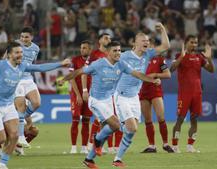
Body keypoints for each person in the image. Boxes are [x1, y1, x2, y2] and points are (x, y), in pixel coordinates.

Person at [0, 41, 70, 169]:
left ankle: (2, 164)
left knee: (15, 135)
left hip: (9, 105)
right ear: (9, 54)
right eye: (17, 52)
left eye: (21, 52)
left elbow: (40, 67)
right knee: (1, 139)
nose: (20, 55)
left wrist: (60, 64)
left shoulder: (22, 66)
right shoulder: (1, 65)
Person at [60, 41, 160, 169]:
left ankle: (89, 159)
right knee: (116, 124)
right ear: (108, 52)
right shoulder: (98, 64)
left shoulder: (121, 64)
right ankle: (97, 140)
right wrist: (64, 80)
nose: (118, 53)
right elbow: (79, 72)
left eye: (119, 50)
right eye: (115, 50)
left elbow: (137, 74)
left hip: (108, 100)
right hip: (96, 101)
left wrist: (152, 80)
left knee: (111, 128)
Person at [113, 22, 170, 167]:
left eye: (148, 41)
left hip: (134, 97)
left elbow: (165, 46)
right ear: (135, 43)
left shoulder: (148, 54)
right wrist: (152, 80)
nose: (147, 42)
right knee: (131, 127)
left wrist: (162, 29)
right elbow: (137, 74)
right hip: (122, 95)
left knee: (133, 129)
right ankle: (111, 126)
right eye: (143, 40)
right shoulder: (125, 56)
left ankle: (117, 159)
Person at [170, 35, 215, 153]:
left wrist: (209, 59)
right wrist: (181, 57)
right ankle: (175, 146)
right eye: (192, 42)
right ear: (186, 43)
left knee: (194, 119)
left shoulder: (200, 57)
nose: (194, 45)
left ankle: (190, 146)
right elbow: (171, 69)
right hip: (184, 93)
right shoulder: (178, 56)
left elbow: (211, 70)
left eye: (196, 43)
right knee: (180, 119)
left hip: (197, 93)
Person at [82, 33, 120, 153]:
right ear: (99, 40)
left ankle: (100, 145)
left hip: (110, 92)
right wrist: (84, 90)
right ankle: (92, 143)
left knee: (104, 120)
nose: (109, 39)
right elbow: (84, 72)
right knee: (104, 119)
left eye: (110, 37)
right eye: (106, 37)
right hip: (97, 93)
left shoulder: (112, 55)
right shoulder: (94, 55)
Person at [139, 52, 173, 153]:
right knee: (147, 120)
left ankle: (165, 144)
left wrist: (156, 75)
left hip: (155, 90)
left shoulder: (159, 59)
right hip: (143, 91)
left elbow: (168, 74)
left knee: (160, 117)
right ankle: (152, 146)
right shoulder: (139, 59)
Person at [14, 27, 41, 148]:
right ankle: (20, 137)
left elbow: (32, 64)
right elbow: (5, 60)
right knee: (20, 108)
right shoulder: (14, 46)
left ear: (31, 37)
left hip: (28, 79)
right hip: (17, 79)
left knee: (36, 103)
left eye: (26, 37)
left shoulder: (36, 48)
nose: (23, 39)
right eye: (22, 37)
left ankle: (19, 119)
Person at [69, 40, 93, 154]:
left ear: (89, 49)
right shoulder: (74, 60)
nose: (82, 49)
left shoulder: (94, 61)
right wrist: (78, 95)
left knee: (86, 121)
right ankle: (73, 147)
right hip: (76, 94)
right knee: (75, 119)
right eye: (81, 47)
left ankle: (84, 147)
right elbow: (71, 78)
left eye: (85, 48)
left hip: (89, 95)